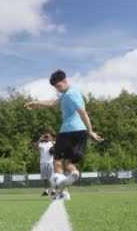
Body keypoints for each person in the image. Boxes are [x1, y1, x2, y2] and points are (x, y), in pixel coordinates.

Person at [24, 70, 102, 200]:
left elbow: (83, 112)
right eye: (55, 88)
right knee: (68, 161)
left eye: (59, 86)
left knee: (57, 161)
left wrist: (90, 131)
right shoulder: (65, 95)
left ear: (65, 81)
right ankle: (72, 177)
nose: (58, 89)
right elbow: (53, 103)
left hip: (68, 131)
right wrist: (36, 103)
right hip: (79, 132)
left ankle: (64, 190)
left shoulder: (71, 94)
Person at [36, 131, 56, 197]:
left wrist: (51, 139)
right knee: (44, 178)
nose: (46, 138)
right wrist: (40, 139)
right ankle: (46, 191)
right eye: (45, 136)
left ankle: (53, 191)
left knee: (52, 178)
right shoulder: (41, 144)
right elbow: (36, 146)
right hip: (43, 163)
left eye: (47, 136)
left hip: (50, 162)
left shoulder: (52, 143)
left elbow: (57, 146)